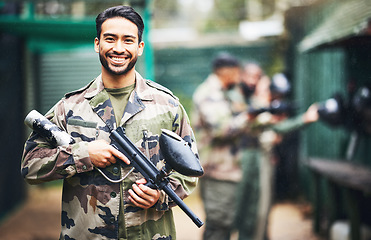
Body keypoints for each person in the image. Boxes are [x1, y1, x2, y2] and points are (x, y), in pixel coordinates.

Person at [21, 5, 200, 240]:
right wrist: (82, 155)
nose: (118, 48)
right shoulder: (70, 107)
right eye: (110, 39)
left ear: (140, 47)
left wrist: (160, 197)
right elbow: (30, 166)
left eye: (128, 40)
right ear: (97, 44)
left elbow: (190, 170)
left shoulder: (168, 106)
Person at [236, 67, 319, 240]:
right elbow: (276, 127)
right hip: (250, 161)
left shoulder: (258, 104)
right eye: (264, 87)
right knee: (254, 210)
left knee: (262, 209)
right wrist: (305, 119)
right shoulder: (251, 105)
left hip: (259, 159)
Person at [192, 53, 249, 240]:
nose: (239, 75)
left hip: (227, 168)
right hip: (216, 170)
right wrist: (248, 117)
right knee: (219, 223)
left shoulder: (224, 92)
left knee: (226, 222)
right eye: (237, 71)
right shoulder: (209, 94)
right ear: (226, 71)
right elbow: (220, 130)